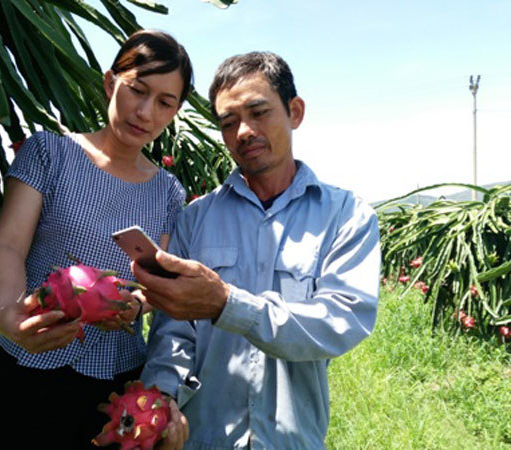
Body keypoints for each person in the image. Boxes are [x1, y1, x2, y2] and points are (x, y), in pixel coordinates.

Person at [132, 51, 381, 449]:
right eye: (228, 123)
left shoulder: (346, 215)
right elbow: (173, 332)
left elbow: (340, 320)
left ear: (294, 111)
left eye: (259, 112)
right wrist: (160, 400)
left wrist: (226, 303)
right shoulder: (195, 218)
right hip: (203, 437)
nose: (244, 131)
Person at [0, 30, 190, 449]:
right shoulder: (49, 154)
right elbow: (8, 245)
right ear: (111, 83)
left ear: (174, 112)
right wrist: (6, 313)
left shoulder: (168, 191)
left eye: (164, 102)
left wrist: (136, 303)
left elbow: (154, 277)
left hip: (116, 387)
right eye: (137, 90)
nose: (145, 112)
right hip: (32, 361)